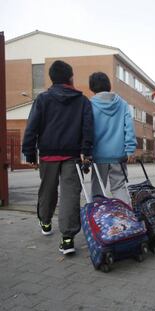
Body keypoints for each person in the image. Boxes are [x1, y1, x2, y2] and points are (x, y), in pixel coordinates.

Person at [22, 60, 93, 255]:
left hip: (47, 153)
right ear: (71, 78)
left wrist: (29, 151)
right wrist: (86, 152)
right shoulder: (82, 101)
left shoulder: (43, 99)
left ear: (52, 78)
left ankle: (46, 222)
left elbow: (32, 126)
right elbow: (88, 129)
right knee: (70, 194)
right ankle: (68, 239)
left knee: (47, 190)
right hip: (72, 155)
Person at [88, 72, 137, 204]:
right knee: (119, 188)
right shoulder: (122, 104)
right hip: (119, 156)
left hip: (98, 156)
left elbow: (87, 130)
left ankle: (99, 220)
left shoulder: (90, 104)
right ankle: (126, 218)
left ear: (91, 87)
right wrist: (130, 149)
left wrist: (87, 151)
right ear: (108, 85)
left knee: (97, 190)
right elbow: (129, 128)